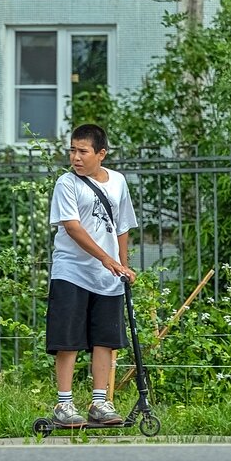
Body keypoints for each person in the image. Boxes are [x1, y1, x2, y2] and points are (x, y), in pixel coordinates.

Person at [46, 123, 139, 427]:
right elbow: (72, 228)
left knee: (105, 339)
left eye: (82, 151)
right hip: (72, 272)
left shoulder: (119, 182)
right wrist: (108, 260)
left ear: (101, 153)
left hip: (108, 277)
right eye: (72, 150)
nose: (75, 157)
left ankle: (100, 402)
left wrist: (122, 267)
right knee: (68, 339)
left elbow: (122, 227)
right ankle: (64, 404)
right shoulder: (66, 184)